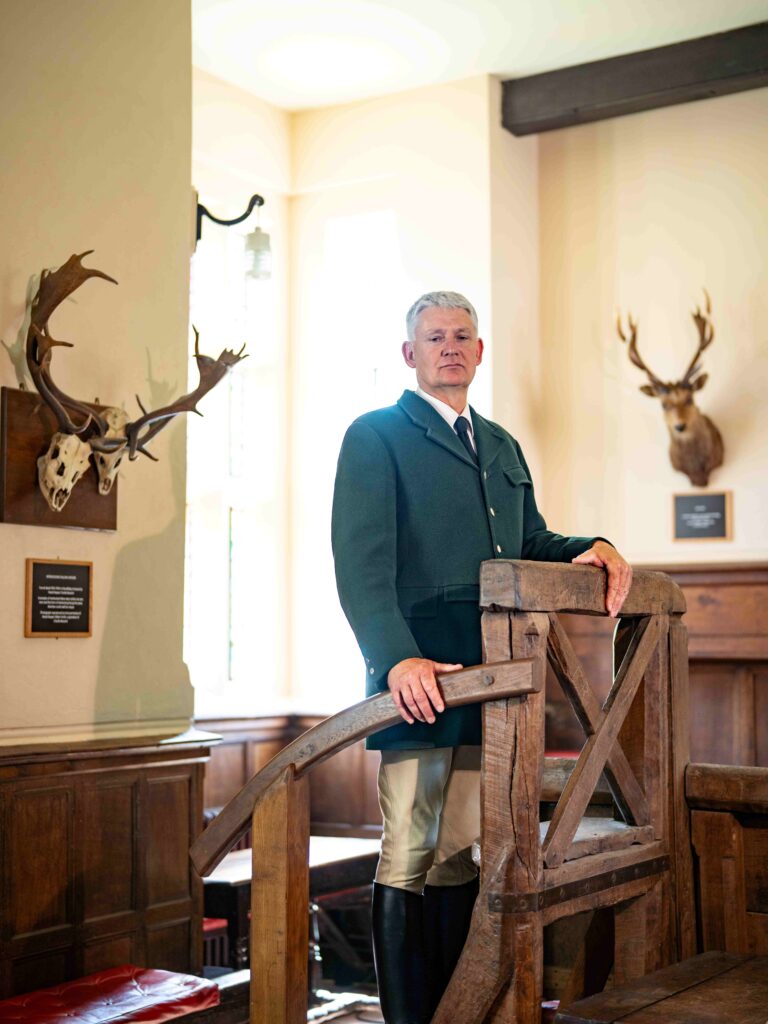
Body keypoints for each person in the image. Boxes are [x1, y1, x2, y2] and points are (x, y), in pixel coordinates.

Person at [331, 292, 631, 1024]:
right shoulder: (374, 436)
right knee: (408, 852)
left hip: (495, 681)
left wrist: (589, 546)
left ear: (479, 349)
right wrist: (395, 659)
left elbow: (528, 542)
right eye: (434, 337)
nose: (450, 347)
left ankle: (454, 1012)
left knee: (463, 853)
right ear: (410, 354)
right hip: (420, 680)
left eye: (462, 335)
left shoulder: (501, 445)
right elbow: (360, 564)